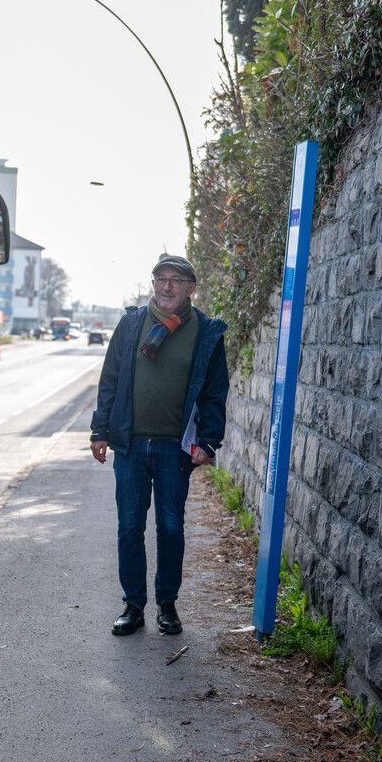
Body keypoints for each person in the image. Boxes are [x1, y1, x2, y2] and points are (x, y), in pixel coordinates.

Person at [90, 255, 228, 636]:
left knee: (170, 527)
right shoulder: (133, 324)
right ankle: (133, 605)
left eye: (175, 280)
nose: (166, 286)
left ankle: (167, 604)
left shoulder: (205, 332)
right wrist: (99, 431)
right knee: (129, 526)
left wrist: (209, 442)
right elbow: (110, 380)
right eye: (160, 278)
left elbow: (215, 393)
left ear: (191, 287)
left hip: (175, 450)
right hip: (131, 446)